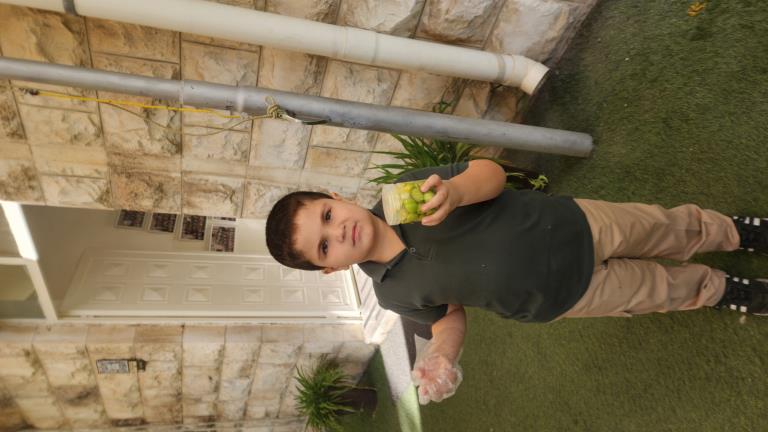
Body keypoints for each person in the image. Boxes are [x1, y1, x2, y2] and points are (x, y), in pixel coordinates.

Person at [265, 159, 768, 405]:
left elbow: (491, 174)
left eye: (327, 215)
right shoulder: (391, 292)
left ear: (336, 197)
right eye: (325, 246)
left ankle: (733, 233)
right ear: (331, 269)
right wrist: (442, 354)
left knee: (666, 228)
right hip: (560, 296)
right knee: (660, 291)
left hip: (573, 226)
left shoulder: (410, 190)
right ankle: (723, 290)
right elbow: (448, 317)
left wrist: (456, 190)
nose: (338, 231)